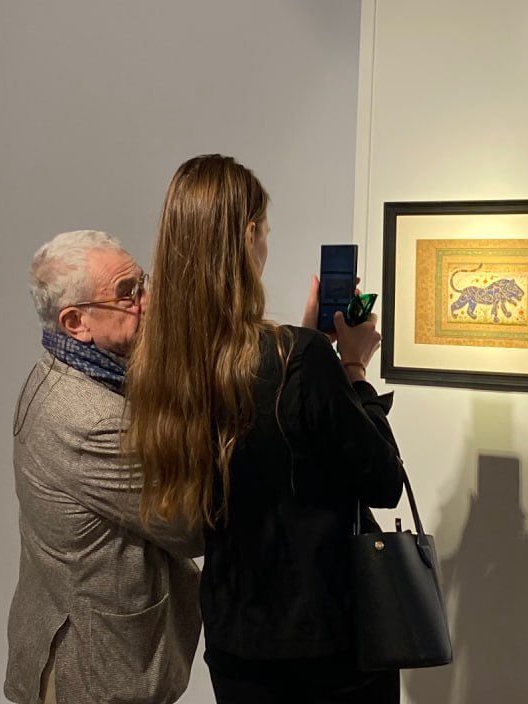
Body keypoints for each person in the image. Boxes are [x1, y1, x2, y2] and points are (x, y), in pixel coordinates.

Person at [125, 154, 405, 703]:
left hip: (237, 640)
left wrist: (306, 343)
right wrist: (352, 367)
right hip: (330, 641)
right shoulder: (298, 359)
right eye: (266, 231)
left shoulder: (160, 367)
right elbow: (383, 481)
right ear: (249, 235)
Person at [6, 230, 203, 704]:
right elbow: (191, 526)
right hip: (94, 674)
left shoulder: (63, 373)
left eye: (142, 283)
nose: (148, 303)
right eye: (127, 294)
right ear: (76, 322)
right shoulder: (91, 420)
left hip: (88, 654)